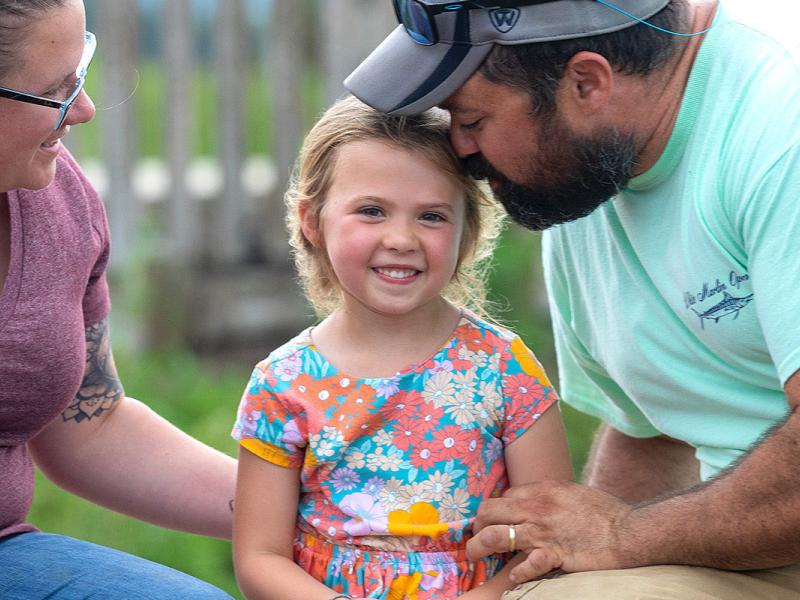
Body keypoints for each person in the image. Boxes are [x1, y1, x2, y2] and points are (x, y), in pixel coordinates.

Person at [343, 0, 800, 598]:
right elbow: (649, 429)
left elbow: (621, 530)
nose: (459, 150)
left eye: (473, 120)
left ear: (587, 83)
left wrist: (627, 538)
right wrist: (572, 553)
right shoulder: (584, 173)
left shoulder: (777, 127)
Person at [230, 95, 573, 600]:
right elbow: (260, 559)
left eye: (431, 216)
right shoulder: (282, 385)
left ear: (468, 232)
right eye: (372, 211)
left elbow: (549, 539)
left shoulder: (505, 370)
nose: (401, 238)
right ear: (311, 221)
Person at [0, 1, 236, 597]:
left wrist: (324, 507)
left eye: (81, 74)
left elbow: (90, 424)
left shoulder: (57, 199)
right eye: (56, 90)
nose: (83, 110)